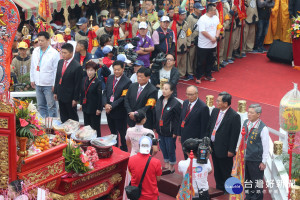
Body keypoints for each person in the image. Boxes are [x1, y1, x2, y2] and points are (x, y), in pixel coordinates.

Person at [207, 92, 241, 192]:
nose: (216, 102)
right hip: (213, 147)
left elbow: (234, 135)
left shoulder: (234, 116)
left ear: (226, 103)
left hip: (225, 150)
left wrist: (231, 150)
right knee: (217, 172)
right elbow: (209, 127)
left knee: (226, 172)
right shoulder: (215, 111)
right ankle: (219, 190)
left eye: (218, 101)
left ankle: (228, 193)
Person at [123, 111, 158, 200]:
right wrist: (151, 157)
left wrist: (135, 149)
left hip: (133, 156)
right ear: (143, 120)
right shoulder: (149, 131)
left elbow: (128, 143)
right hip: (146, 158)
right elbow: (155, 149)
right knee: (147, 179)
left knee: (132, 179)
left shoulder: (129, 130)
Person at [30, 31, 60, 118]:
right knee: (40, 106)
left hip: (49, 84)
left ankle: (53, 125)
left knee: (51, 106)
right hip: (38, 82)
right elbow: (33, 66)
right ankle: (43, 125)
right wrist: (32, 79)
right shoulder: (35, 51)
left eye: (42, 41)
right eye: (39, 40)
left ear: (48, 40)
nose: (40, 42)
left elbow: (56, 70)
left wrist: (55, 84)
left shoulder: (54, 53)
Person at [103, 60, 132, 152]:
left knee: (122, 133)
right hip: (109, 111)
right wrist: (105, 104)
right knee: (113, 133)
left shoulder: (127, 81)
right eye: (114, 70)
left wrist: (111, 106)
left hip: (119, 111)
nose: (116, 72)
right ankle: (114, 149)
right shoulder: (110, 78)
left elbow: (123, 98)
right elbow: (105, 93)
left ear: (123, 69)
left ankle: (124, 150)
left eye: (118, 70)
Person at [242, 104, 269, 200]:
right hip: (246, 157)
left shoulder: (263, 128)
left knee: (257, 183)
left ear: (258, 114)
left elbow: (266, 146)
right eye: (248, 112)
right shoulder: (246, 123)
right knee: (247, 181)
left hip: (256, 160)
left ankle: (257, 198)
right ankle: (248, 197)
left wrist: (264, 162)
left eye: (251, 113)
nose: (249, 114)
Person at [154, 82, 181, 172]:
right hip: (160, 130)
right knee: (163, 147)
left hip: (170, 131)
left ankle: (172, 165)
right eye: (163, 88)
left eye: (166, 89)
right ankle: (166, 163)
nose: (164, 91)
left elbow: (177, 119)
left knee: (170, 149)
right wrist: (156, 127)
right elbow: (156, 114)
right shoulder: (159, 100)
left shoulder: (175, 103)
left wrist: (175, 132)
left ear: (172, 91)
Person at [178, 85, 210, 159]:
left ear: (197, 94)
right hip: (184, 137)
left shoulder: (203, 107)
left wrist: (202, 142)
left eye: (191, 94)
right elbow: (181, 118)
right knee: (186, 157)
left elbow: (204, 127)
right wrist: (179, 133)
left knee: (194, 159)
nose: (189, 96)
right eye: (187, 94)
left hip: (195, 140)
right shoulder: (185, 102)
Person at [54, 43, 82, 123]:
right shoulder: (60, 62)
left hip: (70, 96)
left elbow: (78, 84)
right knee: (63, 116)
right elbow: (57, 77)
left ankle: (73, 134)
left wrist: (75, 99)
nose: (62, 55)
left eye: (65, 53)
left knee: (72, 117)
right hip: (60, 94)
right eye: (61, 52)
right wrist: (55, 91)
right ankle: (64, 134)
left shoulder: (77, 66)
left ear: (71, 53)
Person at [127, 136, 162, 200]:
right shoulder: (156, 162)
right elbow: (158, 179)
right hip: (151, 195)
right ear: (151, 147)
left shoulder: (131, 159)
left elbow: (132, 173)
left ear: (139, 146)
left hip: (136, 195)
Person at [195, 3, 219, 84]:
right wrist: (211, 38)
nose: (216, 12)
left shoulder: (216, 18)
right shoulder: (202, 19)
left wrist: (216, 37)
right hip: (203, 45)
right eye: (214, 10)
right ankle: (198, 76)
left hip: (213, 44)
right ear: (210, 11)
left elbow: (219, 27)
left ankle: (208, 74)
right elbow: (203, 31)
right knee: (201, 61)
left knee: (211, 60)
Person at [80, 61, 102, 137]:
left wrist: (99, 109)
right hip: (85, 106)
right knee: (87, 126)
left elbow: (100, 97)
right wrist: (81, 104)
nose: (89, 72)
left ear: (95, 71)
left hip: (94, 108)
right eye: (88, 70)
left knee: (95, 127)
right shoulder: (84, 79)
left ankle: (96, 143)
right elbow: (82, 93)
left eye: (92, 70)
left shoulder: (98, 82)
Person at [170, 7, 192, 80]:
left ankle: (181, 75)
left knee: (183, 62)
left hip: (184, 45)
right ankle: (174, 75)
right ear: (178, 15)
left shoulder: (186, 24)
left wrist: (188, 44)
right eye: (182, 14)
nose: (184, 16)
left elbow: (188, 34)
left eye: (185, 14)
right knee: (176, 61)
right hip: (177, 45)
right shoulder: (173, 24)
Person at [186, 3, 205, 79]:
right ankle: (189, 72)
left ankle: (195, 70)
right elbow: (189, 30)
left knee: (197, 56)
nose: (200, 10)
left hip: (200, 39)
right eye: (199, 9)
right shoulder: (190, 17)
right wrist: (190, 41)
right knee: (191, 56)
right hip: (193, 40)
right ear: (195, 9)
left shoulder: (201, 17)